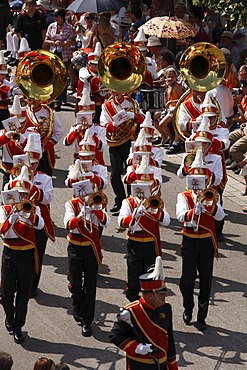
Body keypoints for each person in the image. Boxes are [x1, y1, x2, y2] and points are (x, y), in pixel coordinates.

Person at [176, 148, 225, 332]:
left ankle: (201, 316)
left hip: (206, 242)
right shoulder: (184, 196)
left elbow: (220, 216)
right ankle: (188, 307)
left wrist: (209, 206)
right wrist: (194, 211)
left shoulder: (212, 194)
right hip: (189, 241)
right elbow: (180, 216)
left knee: (206, 280)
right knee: (186, 282)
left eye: (202, 180)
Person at [0, 166, 44, 344]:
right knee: (6, 294)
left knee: (23, 295)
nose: (22, 197)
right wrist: (12, 217)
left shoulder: (33, 208)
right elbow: (2, 232)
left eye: (25, 194)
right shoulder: (4, 209)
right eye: (19, 194)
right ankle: (10, 315)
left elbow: (40, 225)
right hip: (10, 254)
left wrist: (28, 214)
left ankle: (18, 326)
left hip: (26, 255)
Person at [109, 256, 178, 370]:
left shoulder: (166, 308)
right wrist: (136, 347)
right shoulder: (131, 312)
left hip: (161, 365)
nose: (165, 295)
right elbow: (115, 336)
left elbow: (168, 337)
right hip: (139, 365)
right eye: (161, 293)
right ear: (149, 295)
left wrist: (172, 364)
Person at [64, 179, 110, 337]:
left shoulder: (98, 204)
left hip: (91, 249)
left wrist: (95, 209)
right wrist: (81, 214)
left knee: (90, 286)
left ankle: (87, 321)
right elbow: (68, 224)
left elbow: (106, 221)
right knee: (76, 284)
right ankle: (77, 303)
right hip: (75, 247)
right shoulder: (71, 204)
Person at [118, 169, 170, 302]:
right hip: (134, 245)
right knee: (134, 282)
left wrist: (154, 210)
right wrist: (136, 213)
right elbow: (122, 222)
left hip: (150, 245)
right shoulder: (128, 202)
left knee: (150, 280)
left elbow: (166, 221)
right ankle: (134, 306)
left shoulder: (155, 202)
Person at [100, 91, 145, 213]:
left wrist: (133, 116)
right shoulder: (106, 106)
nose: (114, 92)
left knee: (131, 172)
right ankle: (120, 199)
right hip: (115, 142)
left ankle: (131, 200)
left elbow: (142, 119)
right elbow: (104, 124)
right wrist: (114, 124)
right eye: (111, 89)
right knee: (115, 174)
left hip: (130, 141)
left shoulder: (131, 102)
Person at [44, 8, 75, 111]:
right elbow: (46, 40)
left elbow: (74, 42)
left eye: (57, 16)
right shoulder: (51, 26)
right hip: (54, 54)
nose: (55, 18)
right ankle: (57, 101)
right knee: (56, 77)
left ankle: (63, 97)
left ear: (62, 17)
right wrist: (54, 43)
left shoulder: (69, 28)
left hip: (65, 54)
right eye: (54, 16)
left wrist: (67, 43)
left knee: (64, 76)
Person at [25, 98, 64, 176]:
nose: (31, 101)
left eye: (34, 99)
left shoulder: (48, 112)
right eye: (29, 98)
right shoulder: (21, 111)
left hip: (45, 150)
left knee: (45, 176)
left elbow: (58, 132)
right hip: (25, 150)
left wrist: (44, 146)